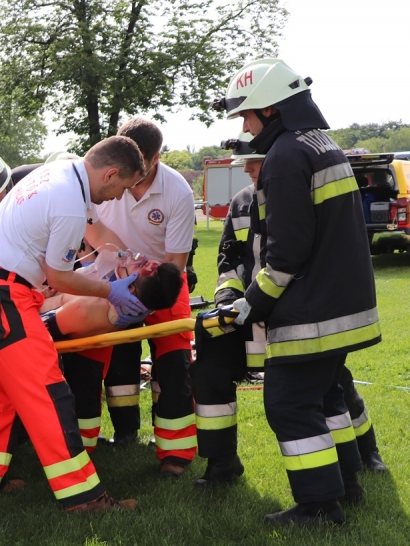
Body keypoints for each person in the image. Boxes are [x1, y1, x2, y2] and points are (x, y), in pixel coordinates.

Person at [211, 58, 382, 525]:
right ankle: (346, 489)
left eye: (248, 114)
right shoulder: (320, 144)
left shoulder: (285, 158)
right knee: (324, 399)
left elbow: (286, 254)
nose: (245, 126)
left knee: (287, 404)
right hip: (340, 304)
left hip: (312, 311)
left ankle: (320, 506)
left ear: (273, 109)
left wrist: (253, 303)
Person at [0, 135, 147, 513]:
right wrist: (110, 292)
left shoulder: (53, 174)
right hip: (2, 300)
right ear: (110, 173)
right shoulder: (70, 203)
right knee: (50, 395)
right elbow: (59, 277)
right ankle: (84, 498)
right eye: (122, 188)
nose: (117, 197)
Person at [190, 134, 388, 490]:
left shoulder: (299, 195)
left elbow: (300, 261)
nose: (247, 169)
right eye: (245, 163)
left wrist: (267, 304)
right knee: (207, 371)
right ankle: (221, 463)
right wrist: (228, 303)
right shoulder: (240, 204)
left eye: (255, 160)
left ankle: (363, 454)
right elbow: (229, 261)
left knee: (335, 383)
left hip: (297, 317)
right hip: (249, 315)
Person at [74, 118, 198, 477]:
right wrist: (119, 269)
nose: (129, 173)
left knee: (174, 363)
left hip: (163, 282)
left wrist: (147, 287)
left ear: (156, 158)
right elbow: (89, 225)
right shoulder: (105, 175)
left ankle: (175, 453)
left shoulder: (177, 192)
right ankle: (87, 445)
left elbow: (175, 264)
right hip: (111, 276)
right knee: (87, 354)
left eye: (139, 165)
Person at [0, 257, 183, 359]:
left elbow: (38, 329)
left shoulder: (96, 309)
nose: (134, 259)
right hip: (0, 313)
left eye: (140, 266)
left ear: (133, 286)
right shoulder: (114, 303)